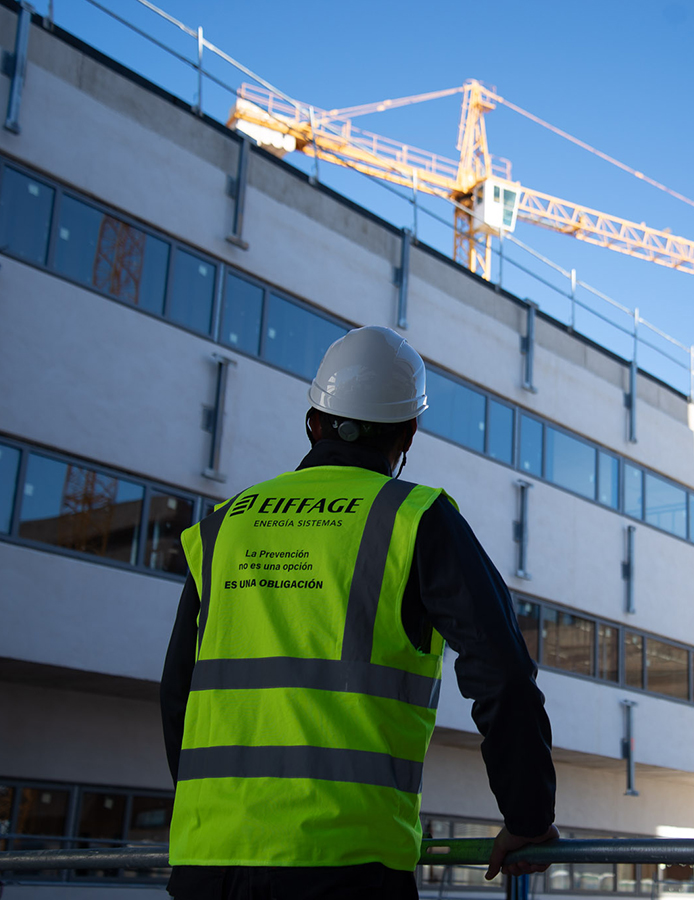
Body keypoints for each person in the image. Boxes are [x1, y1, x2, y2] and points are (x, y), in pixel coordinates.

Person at [160, 325, 557, 899]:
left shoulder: (223, 526)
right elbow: (503, 674)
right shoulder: (414, 517)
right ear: (409, 434)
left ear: (313, 421)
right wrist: (528, 818)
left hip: (208, 863)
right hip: (348, 865)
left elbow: (178, 693)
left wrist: (220, 815)